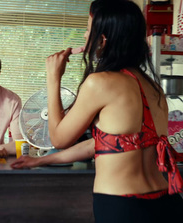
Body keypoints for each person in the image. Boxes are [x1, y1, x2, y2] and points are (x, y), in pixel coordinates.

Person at [13, 0, 183, 222]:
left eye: (88, 29)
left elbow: (58, 137)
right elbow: (107, 143)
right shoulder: (153, 87)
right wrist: (41, 160)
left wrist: (53, 78)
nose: (84, 36)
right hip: (167, 203)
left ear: (102, 40)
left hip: (123, 207)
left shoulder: (100, 83)